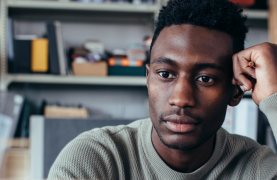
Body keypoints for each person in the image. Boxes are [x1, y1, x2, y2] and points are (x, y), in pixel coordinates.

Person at [48, 0, 277, 179]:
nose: (181, 99)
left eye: (206, 78)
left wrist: (275, 98)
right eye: (165, 74)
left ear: (236, 91)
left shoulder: (257, 169)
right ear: (148, 79)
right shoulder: (95, 159)